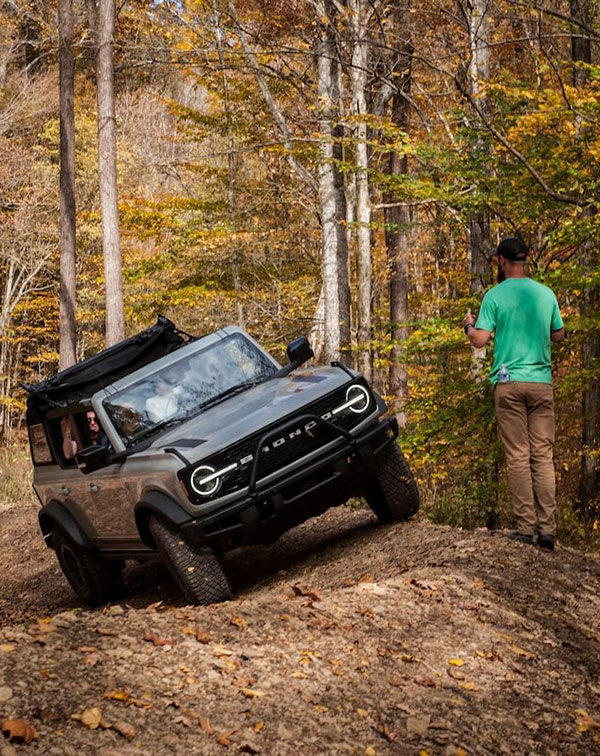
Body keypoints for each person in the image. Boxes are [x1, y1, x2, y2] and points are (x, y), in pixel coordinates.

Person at [463, 237, 565, 551]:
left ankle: (525, 528)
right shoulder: (545, 294)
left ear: (503, 262)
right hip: (540, 383)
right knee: (543, 457)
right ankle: (548, 531)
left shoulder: (494, 296)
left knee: (519, 458)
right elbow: (559, 334)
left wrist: (468, 325)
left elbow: (479, 341)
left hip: (508, 384)